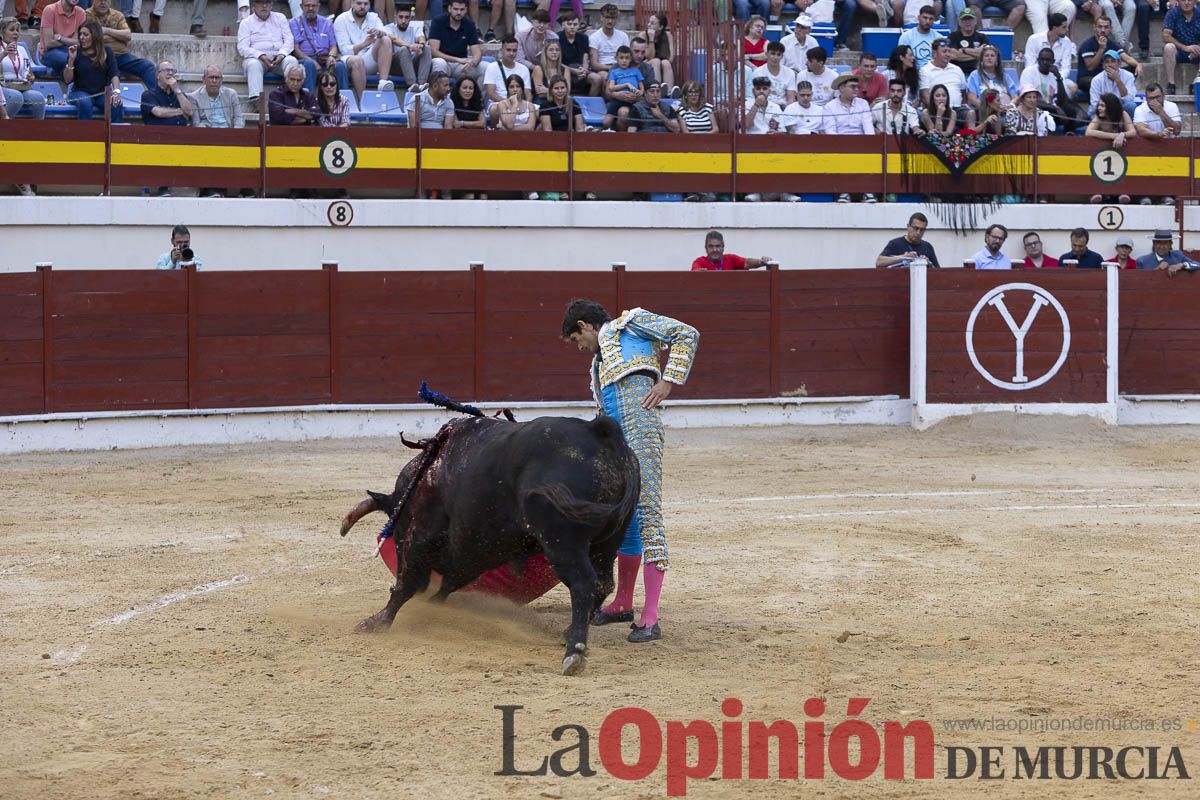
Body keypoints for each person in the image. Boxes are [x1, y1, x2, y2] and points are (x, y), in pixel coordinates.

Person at [560, 295, 699, 645]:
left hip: (641, 432)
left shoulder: (631, 323)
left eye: (577, 339)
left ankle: (650, 616)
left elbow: (686, 334)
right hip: (614, 440)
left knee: (648, 512)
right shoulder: (599, 362)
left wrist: (668, 382)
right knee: (626, 517)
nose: (579, 348)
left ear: (585, 326)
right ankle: (622, 602)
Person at [85, 0, 156, 89]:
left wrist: (107, 31)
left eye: (106, 0)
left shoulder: (117, 15)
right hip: (99, 57)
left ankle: (157, 96)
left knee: (147, 66)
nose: (103, 3)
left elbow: (128, 35)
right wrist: (117, 36)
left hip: (121, 56)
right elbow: (92, 38)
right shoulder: (86, 15)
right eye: (100, 0)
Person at [64, 19, 124, 122]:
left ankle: (114, 131)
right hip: (79, 92)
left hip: (101, 93)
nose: (81, 37)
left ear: (95, 36)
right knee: (85, 102)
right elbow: (67, 80)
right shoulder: (75, 51)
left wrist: (116, 92)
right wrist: (71, 60)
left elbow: (114, 74)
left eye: (85, 34)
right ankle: (86, 132)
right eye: (80, 34)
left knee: (115, 103)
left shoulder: (107, 51)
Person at [239, 0, 299, 102]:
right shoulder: (246, 22)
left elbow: (289, 40)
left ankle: (292, 99)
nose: (264, 6)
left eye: (267, 2)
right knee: (253, 65)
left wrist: (282, 54)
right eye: (260, 3)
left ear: (271, 5)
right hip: (257, 58)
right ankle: (257, 101)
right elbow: (242, 47)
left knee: (292, 61)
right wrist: (261, 55)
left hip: (279, 57)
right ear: (254, 6)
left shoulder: (280, 18)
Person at [335, 0, 395, 98]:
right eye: (359, 3)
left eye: (366, 4)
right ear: (352, 4)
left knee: (385, 39)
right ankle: (362, 99)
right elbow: (344, 50)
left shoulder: (374, 17)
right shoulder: (341, 19)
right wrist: (363, 44)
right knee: (357, 60)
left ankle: (383, 83)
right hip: (349, 60)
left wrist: (380, 33)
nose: (362, 6)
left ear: (369, 5)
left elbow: (388, 33)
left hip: (368, 59)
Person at [1020, 46, 1083, 132]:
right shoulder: (1029, 72)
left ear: (1053, 62)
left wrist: (1059, 78)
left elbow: (1062, 101)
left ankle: (1069, 135)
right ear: (1038, 60)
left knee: (1070, 111)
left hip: (1051, 109)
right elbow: (1027, 99)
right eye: (1042, 59)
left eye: (1048, 60)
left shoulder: (1054, 74)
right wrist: (1055, 108)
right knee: (1046, 115)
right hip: (1034, 109)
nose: (1045, 62)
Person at [1077, 16, 1140, 97]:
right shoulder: (1087, 45)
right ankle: (1101, 103)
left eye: (1106, 27)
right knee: (1092, 81)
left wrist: (1138, 65)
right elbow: (1090, 67)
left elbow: (1127, 58)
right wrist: (1101, 49)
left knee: (1133, 68)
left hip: (1106, 76)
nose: (1103, 30)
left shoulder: (1112, 44)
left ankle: (1125, 94)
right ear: (1094, 28)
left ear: (1110, 29)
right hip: (1088, 77)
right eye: (1100, 27)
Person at [292, 0, 347, 94]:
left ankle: (344, 98)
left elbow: (333, 46)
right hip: (306, 59)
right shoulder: (294, 23)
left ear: (318, 6)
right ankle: (309, 100)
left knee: (340, 66)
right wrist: (313, 62)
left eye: (313, 6)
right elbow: (296, 50)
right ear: (301, 6)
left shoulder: (327, 23)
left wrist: (331, 56)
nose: (310, 8)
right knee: (309, 65)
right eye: (307, 5)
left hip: (325, 58)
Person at [1, 17, 46, 121]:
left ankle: (38, 128)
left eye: (17, 30)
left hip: (21, 86)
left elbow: (30, 72)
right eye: (12, 30)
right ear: (2, 32)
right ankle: (5, 126)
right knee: (16, 97)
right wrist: (4, 53)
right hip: (3, 87)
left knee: (38, 98)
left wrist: (31, 77)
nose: (16, 33)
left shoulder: (21, 49)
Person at [428, 0, 483, 83]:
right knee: (439, 63)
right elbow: (434, 52)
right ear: (449, 8)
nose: (459, 12)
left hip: (461, 66)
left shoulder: (469, 24)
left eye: (462, 9)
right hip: (444, 62)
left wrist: (473, 63)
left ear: (466, 10)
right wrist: (458, 60)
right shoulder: (438, 21)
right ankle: (437, 91)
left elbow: (477, 51)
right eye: (456, 9)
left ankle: (477, 92)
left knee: (485, 67)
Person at [1023, 13, 1077, 95]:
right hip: (1036, 76)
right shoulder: (1033, 39)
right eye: (1064, 27)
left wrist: (1056, 78)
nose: (1067, 30)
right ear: (1054, 28)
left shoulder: (1067, 42)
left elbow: (1066, 68)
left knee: (1073, 87)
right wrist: (1042, 77)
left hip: (1057, 77)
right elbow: (1030, 64)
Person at [383, 5, 430, 91]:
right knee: (404, 49)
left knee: (427, 48)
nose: (403, 20)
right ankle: (412, 85)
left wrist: (421, 45)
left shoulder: (415, 27)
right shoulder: (388, 28)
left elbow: (421, 37)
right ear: (395, 17)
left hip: (411, 62)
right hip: (395, 65)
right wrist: (410, 46)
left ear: (410, 18)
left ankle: (421, 84)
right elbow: (394, 40)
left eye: (407, 17)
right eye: (401, 17)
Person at [1162, 0, 1199, 95]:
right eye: (1183, 0)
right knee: (1168, 47)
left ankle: (1196, 84)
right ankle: (1171, 84)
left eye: (1189, 0)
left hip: (1196, 51)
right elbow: (1165, 36)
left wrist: (1198, 49)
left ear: (1195, 1)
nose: (1186, 3)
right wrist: (1186, 48)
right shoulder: (1172, 14)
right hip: (1178, 50)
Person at [876, 212, 941, 268]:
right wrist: (904, 257)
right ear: (908, 226)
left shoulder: (927, 246)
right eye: (916, 228)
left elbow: (938, 272)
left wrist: (929, 264)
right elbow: (879, 262)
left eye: (922, 230)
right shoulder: (895, 243)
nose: (918, 233)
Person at [142, 60, 193, 129]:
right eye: (167, 70)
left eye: (173, 71)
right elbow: (159, 112)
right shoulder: (148, 94)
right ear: (157, 75)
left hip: (181, 131)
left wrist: (177, 91)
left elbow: (189, 111)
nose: (170, 73)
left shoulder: (179, 94)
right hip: (159, 132)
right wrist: (180, 111)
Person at [38, 0, 85, 75]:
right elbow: (48, 43)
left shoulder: (81, 12)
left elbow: (78, 43)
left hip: (70, 50)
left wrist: (60, 38)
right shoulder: (50, 10)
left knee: (88, 60)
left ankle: (56, 72)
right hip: (48, 52)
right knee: (74, 61)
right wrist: (70, 41)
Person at [919, 39, 967, 113]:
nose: (948, 54)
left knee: (971, 114)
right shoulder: (925, 71)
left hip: (958, 109)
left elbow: (963, 92)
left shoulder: (957, 69)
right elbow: (925, 97)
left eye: (949, 51)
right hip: (936, 110)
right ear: (934, 53)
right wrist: (939, 110)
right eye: (944, 51)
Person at [558, 11, 599, 96]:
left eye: (575, 24)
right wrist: (573, 71)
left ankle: (588, 102)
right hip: (563, 70)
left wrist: (584, 70)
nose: (572, 27)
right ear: (563, 25)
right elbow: (556, 62)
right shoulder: (557, 38)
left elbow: (585, 57)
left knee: (597, 79)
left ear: (579, 25)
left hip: (580, 69)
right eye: (569, 24)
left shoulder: (584, 38)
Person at [602, 45, 642, 131]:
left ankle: (621, 136)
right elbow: (610, 88)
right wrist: (626, 85)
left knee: (624, 115)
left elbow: (641, 89)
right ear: (616, 58)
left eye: (627, 58)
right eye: (621, 58)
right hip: (616, 100)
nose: (624, 60)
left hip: (631, 102)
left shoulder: (636, 71)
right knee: (606, 122)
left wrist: (638, 94)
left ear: (631, 59)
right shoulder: (614, 72)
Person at [1087, 50, 1137, 116]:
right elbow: (1095, 103)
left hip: (1121, 110)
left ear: (1119, 64)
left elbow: (1129, 99)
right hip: (1103, 110)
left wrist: (1117, 80)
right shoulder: (1096, 80)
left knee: (1131, 106)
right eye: (1106, 62)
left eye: (1113, 61)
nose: (1110, 65)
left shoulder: (1128, 76)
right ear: (1103, 65)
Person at [588, 3, 629, 83]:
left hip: (621, 67)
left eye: (613, 18)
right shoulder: (594, 37)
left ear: (617, 19)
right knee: (607, 77)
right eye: (607, 17)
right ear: (601, 17)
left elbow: (628, 57)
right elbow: (594, 64)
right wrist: (611, 68)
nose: (610, 21)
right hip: (602, 69)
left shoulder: (623, 36)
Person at [483, 35, 531, 102]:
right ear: (501, 50)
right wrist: (508, 104)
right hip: (497, 103)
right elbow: (491, 93)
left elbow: (528, 94)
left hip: (519, 104)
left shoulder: (524, 69)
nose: (511, 53)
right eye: (508, 50)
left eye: (514, 51)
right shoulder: (492, 67)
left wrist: (526, 105)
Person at [691, 231, 772, 270]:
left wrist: (761, 262)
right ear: (706, 248)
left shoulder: (731, 258)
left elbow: (747, 262)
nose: (714, 250)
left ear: (723, 247)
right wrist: (698, 273)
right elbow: (696, 270)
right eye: (711, 246)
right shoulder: (700, 261)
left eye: (718, 246)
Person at [752, 40, 797, 107]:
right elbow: (755, 95)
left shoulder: (790, 73)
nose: (775, 57)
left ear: (782, 56)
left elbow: (791, 97)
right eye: (773, 53)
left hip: (783, 107)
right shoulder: (758, 72)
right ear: (767, 54)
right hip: (763, 107)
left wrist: (788, 111)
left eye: (778, 54)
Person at [948, 7, 989, 76]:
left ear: (975, 21)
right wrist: (977, 55)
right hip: (957, 73)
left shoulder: (982, 37)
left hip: (978, 73)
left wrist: (964, 50)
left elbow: (986, 55)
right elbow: (954, 55)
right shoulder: (953, 36)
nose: (967, 22)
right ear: (959, 22)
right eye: (964, 19)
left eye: (970, 19)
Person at [642, 11, 675, 92]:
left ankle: (669, 92)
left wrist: (662, 62)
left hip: (662, 64)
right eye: (648, 22)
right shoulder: (643, 35)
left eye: (652, 23)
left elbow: (671, 58)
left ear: (660, 27)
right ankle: (657, 90)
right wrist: (651, 39)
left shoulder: (668, 35)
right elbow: (649, 57)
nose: (648, 25)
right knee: (656, 61)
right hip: (645, 65)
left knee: (666, 62)